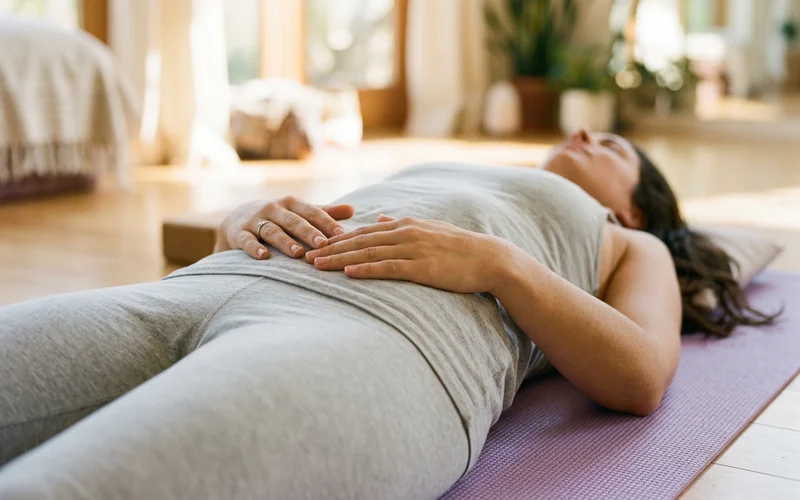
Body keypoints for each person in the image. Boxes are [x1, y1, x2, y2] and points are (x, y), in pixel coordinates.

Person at [0, 130, 777, 499]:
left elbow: (641, 374)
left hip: (372, 343)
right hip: (202, 285)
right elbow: (296, 214)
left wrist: (500, 265)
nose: (582, 133)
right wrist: (245, 215)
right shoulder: (449, 163)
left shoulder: (621, 244)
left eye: (610, 143)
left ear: (636, 209)